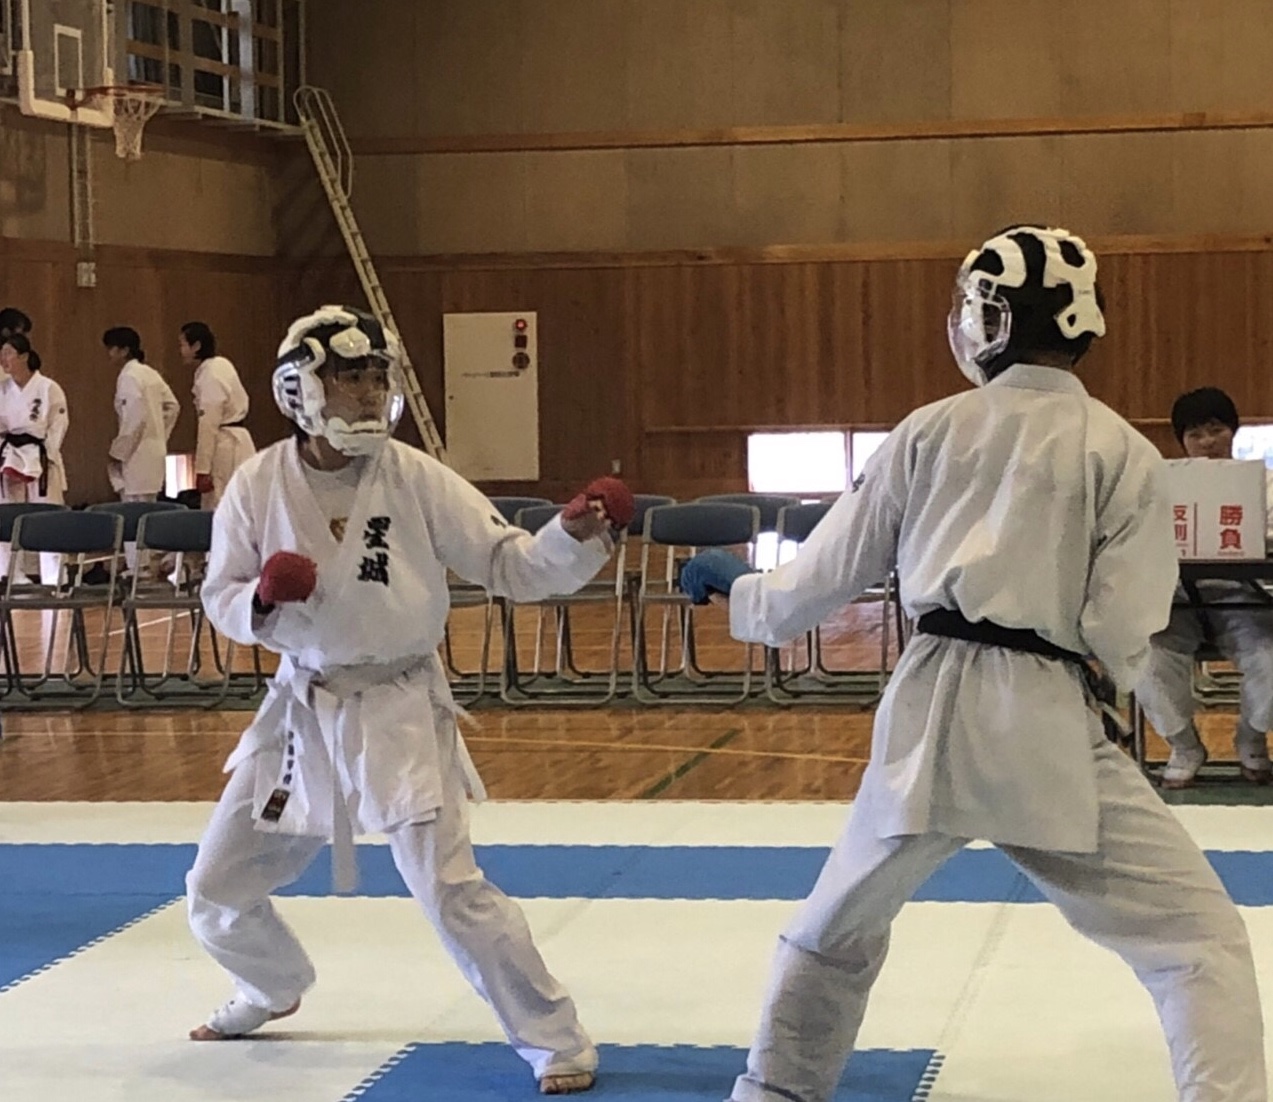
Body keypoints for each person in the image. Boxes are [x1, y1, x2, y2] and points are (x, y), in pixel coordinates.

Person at [680, 226, 1267, 1102]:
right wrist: (1097, 678)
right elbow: (1124, 624)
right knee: (1196, 943)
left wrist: (742, 590)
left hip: (931, 707)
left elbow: (814, 584)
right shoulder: (1120, 450)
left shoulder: (928, 432)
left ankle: (773, 1091)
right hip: (1045, 717)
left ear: (985, 319)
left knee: (834, 928)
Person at [186, 305, 634, 1096]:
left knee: (448, 889)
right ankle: (269, 985)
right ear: (301, 389)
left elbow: (510, 563)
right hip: (302, 711)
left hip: (397, 706)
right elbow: (219, 594)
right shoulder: (258, 483)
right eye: (348, 377)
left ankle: (553, 1040)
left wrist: (570, 536)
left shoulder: (413, 476)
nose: (367, 392)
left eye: (374, 377)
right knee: (215, 887)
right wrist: (260, 599)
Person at [1136, 386, 1273, 787]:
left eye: (1216, 430)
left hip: (1243, 596)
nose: (1207, 442)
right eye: (1195, 434)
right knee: (1146, 659)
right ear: (1182, 441)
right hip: (1175, 598)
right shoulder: (1160, 488)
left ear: (1233, 431)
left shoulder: (1264, 484)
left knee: (1270, 662)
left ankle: (1251, 738)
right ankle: (1184, 745)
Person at [0, 334, 69, 584]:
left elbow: (58, 426)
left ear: (24, 357)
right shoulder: (2, 389)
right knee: (7, 516)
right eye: (2, 353)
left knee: (47, 517)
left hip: (41, 457)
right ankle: (10, 576)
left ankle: (54, 578)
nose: (4, 358)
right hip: (9, 457)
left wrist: (43, 454)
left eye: (9, 353)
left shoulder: (48, 388)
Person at [180, 321, 254, 508]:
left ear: (196, 346)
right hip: (236, 441)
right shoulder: (221, 365)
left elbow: (208, 423)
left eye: (183, 344)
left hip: (225, 447)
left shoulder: (211, 374)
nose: (181, 351)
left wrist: (202, 470)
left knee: (220, 505)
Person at [105, 326, 180, 502]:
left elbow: (134, 419)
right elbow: (173, 406)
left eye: (112, 348)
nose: (109, 354)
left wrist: (118, 452)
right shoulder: (150, 373)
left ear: (124, 351)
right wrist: (158, 433)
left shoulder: (129, 376)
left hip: (136, 455)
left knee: (134, 506)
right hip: (154, 451)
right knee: (150, 505)